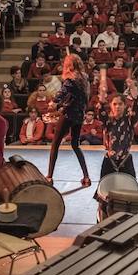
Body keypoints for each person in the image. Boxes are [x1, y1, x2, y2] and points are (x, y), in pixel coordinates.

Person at [46, 53, 91, 185]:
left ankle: (49, 176)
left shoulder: (70, 80)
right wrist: (61, 105)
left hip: (69, 115)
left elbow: (62, 92)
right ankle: (86, 176)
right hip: (79, 115)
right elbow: (74, 98)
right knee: (75, 145)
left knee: (55, 143)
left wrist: (54, 103)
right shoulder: (84, 78)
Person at [97, 66, 138, 177]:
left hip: (125, 159)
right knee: (104, 190)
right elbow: (100, 109)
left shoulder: (130, 121)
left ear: (125, 105)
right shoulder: (108, 121)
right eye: (114, 104)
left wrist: (132, 88)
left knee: (131, 189)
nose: (117, 107)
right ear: (111, 106)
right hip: (109, 159)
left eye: (120, 104)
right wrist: (102, 96)